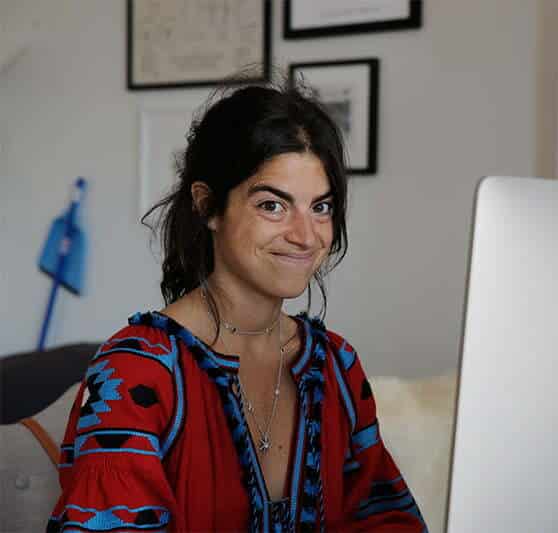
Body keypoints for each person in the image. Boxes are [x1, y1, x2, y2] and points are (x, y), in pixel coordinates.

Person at [48, 82, 427, 532]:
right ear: (208, 206)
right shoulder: (137, 370)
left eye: (320, 207)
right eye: (273, 205)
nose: (306, 236)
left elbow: (387, 519)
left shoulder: (336, 368)